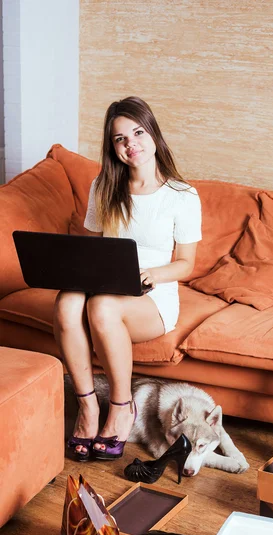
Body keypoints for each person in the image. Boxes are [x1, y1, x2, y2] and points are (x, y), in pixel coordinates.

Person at [53, 96, 202, 461]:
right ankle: (88, 407)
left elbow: (185, 264)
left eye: (137, 132)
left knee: (101, 307)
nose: (130, 143)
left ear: (153, 135)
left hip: (153, 296)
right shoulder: (104, 187)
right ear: (113, 148)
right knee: (66, 301)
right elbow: (91, 248)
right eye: (120, 138)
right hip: (106, 283)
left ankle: (121, 407)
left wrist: (153, 273)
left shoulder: (182, 196)